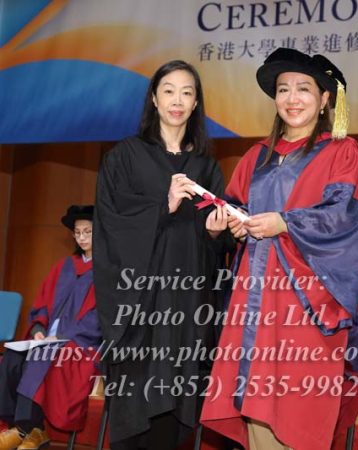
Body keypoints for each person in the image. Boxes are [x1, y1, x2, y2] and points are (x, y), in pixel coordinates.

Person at [200, 48, 358, 449]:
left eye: (304, 88)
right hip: (255, 294)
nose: (292, 98)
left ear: (324, 99)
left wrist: (285, 222)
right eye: (283, 89)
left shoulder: (341, 151)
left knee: (298, 400)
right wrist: (227, 224)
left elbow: (346, 215)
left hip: (309, 298)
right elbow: (238, 207)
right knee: (254, 396)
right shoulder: (257, 156)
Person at [93, 60, 230, 450]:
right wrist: (162, 206)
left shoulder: (205, 166)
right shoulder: (125, 156)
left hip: (185, 307)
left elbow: (217, 248)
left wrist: (215, 233)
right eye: (169, 91)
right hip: (140, 307)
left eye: (187, 93)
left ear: (196, 103)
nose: (177, 100)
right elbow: (110, 223)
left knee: (173, 419)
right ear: (154, 98)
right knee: (136, 415)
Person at [0, 205, 102, 450]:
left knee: (42, 354)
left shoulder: (107, 272)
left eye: (88, 232)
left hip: (81, 344)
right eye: (78, 232)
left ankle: (25, 429)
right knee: (13, 355)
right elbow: (41, 304)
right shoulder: (64, 266)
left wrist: (64, 336)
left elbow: (101, 319)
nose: (82, 237)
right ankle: (24, 428)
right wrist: (38, 328)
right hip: (48, 339)